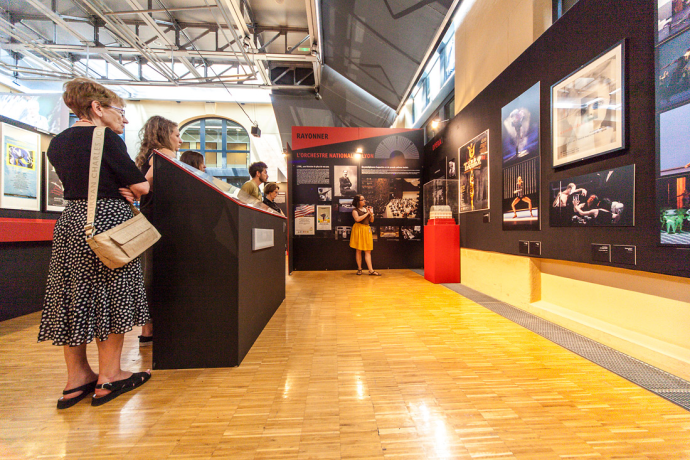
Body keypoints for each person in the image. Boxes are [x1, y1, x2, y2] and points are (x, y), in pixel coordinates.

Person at [38, 78, 151, 408]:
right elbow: (140, 186)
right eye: (120, 111)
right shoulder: (106, 138)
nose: (124, 119)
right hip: (106, 223)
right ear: (97, 108)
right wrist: (129, 187)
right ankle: (110, 375)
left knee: (73, 296)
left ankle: (76, 380)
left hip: (70, 223)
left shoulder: (57, 143)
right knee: (111, 294)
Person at [134, 115, 182, 345]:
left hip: (151, 220)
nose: (180, 140)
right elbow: (147, 183)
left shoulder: (148, 155)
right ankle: (150, 327)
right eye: (176, 135)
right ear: (165, 135)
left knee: (150, 272)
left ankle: (148, 327)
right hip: (160, 221)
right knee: (153, 274)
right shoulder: (163, 154)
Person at [350, 195, 381, 276]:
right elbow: (357, 219)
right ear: (358, 201)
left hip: (366, 229)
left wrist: (371, 214)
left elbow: (371, 220)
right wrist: (367, 213)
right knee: (358, 250)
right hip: (358, 229)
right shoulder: (355, 210)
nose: (364, 201)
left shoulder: (366, 209)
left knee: (368, 250)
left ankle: (371, 270)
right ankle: (359, 269)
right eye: (362, 199)